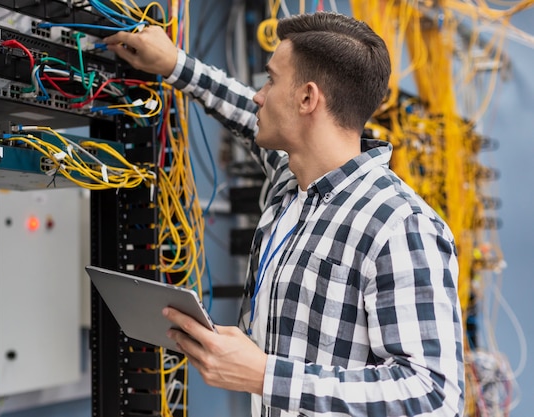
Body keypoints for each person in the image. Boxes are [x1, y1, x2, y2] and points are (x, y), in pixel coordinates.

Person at [104, 11, 464, 417]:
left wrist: (264, 375)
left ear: (307, 98)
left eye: (271, 80)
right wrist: (174, 66)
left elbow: (435, 395)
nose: (260, 94)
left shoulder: (397, 223)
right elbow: (243, 110)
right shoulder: (291, 184)